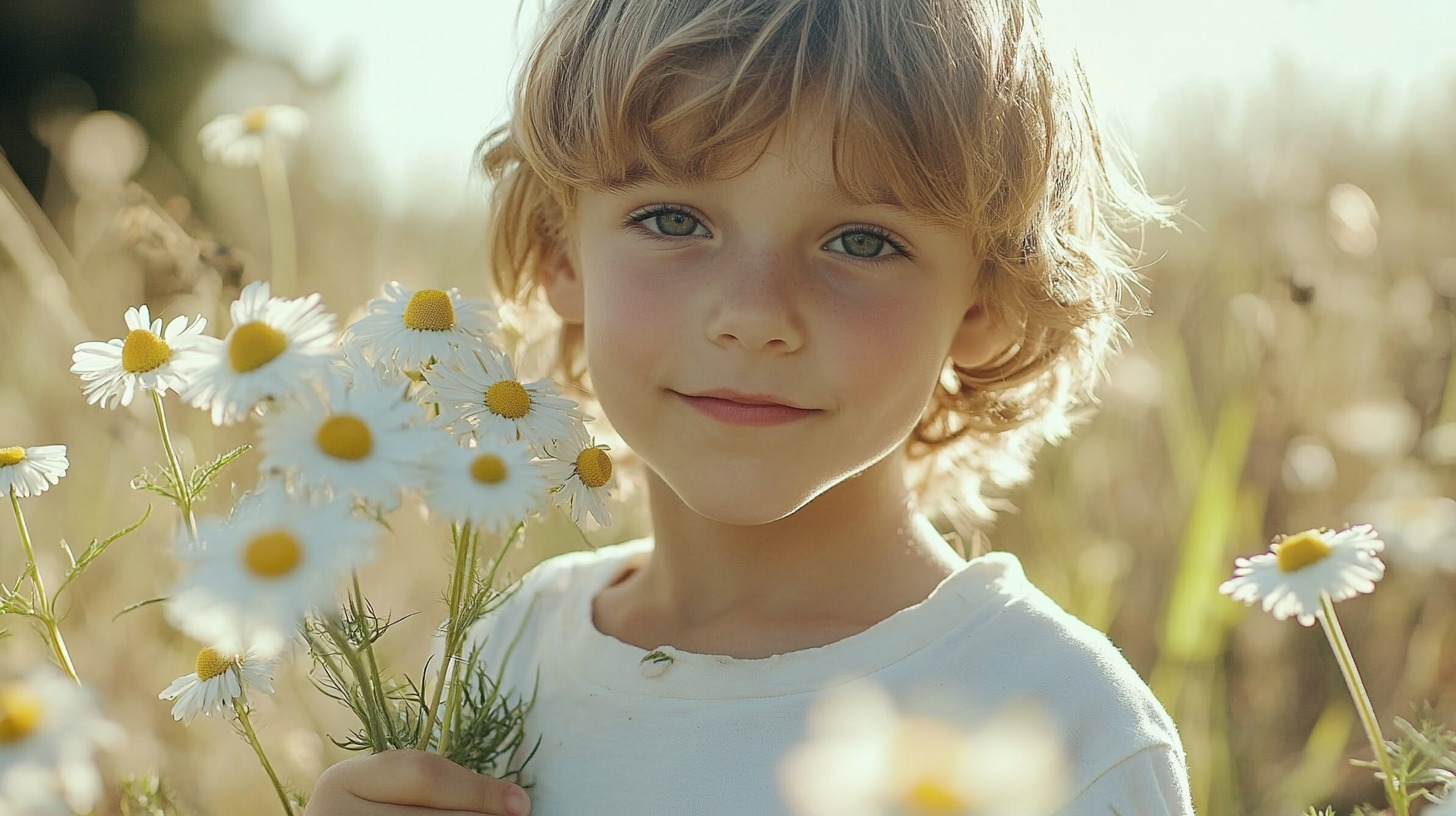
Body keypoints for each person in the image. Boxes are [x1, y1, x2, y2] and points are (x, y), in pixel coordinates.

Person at [307, 0, 1191, 814]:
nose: (755, 315)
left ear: (984, 301)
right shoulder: (502, 656)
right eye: (674, 221)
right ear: (559, 253)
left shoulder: (1067, 729)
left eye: (862, 241)